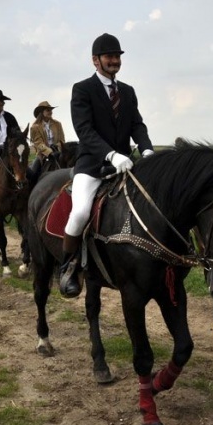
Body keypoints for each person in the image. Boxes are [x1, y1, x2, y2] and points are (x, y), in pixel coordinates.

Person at [60, 33, 155, 298]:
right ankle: (69, 266)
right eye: (109, 57)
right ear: (95, 60)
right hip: (92, 166)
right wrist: (111, 154)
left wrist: (146, 149)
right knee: (79, 213)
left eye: (117, 57)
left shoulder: (127, 91)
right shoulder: (82, 89)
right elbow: (85, 130)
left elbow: (137, 124)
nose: (114, 61)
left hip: (125, 165)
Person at [28, 101, 66, 184]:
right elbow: (38, 143)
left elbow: (62, 140)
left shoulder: (58, 124)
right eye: (47, 110)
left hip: (58, 152)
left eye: (51, 110)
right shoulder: (35, 127)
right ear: (41, 112)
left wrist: (57, 147)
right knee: (33, 175)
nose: (50, 112)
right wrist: (49, 151)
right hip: (43, 155)